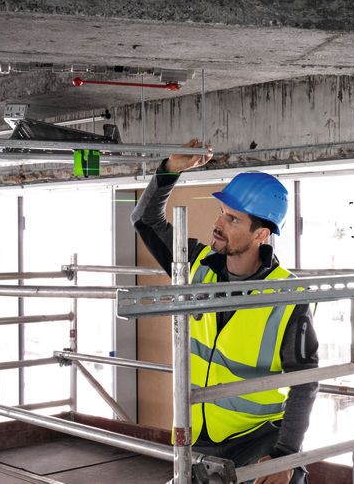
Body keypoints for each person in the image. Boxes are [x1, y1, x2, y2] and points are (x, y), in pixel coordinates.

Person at [131, 139, 319, 484]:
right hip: (196, 436)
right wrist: (169, 171)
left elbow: (304, 383)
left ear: (260, 233)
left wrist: (285, 455)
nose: (219, 223)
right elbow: (144, 219)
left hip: (257, 439)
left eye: (233, 218)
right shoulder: (196, 265)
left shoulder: (289, 296)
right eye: (222, 211)